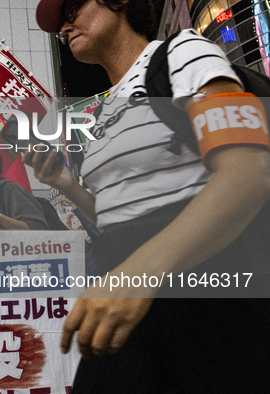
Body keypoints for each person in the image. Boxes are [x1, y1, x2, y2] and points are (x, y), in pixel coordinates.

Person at [27, 0, 270, 392]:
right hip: (129, 304)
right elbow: (119, 219)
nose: (64, 27)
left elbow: (249, 170)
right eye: (59, 25)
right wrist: (66, 184)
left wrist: (138, 274)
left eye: (71, 9)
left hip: (210, 293)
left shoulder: (180, 54)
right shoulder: (104, 115)